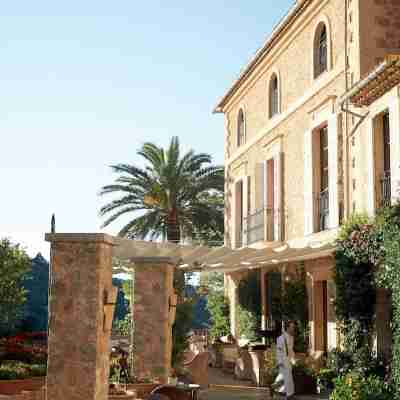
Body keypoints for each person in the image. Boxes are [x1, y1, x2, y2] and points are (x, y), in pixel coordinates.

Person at [274, 321, 296, 399]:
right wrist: (279, 361)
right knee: (288, 378)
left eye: (293, 327)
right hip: (283, 361)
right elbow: (278, 351)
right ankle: (290, 395)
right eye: (292, 327)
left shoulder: (291, 338)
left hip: (289, 360)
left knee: (283, 377)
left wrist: (293, 360)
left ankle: (273, 388)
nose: (293, 329)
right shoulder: (281, 338)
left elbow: (290, 350)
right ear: (287, 328)